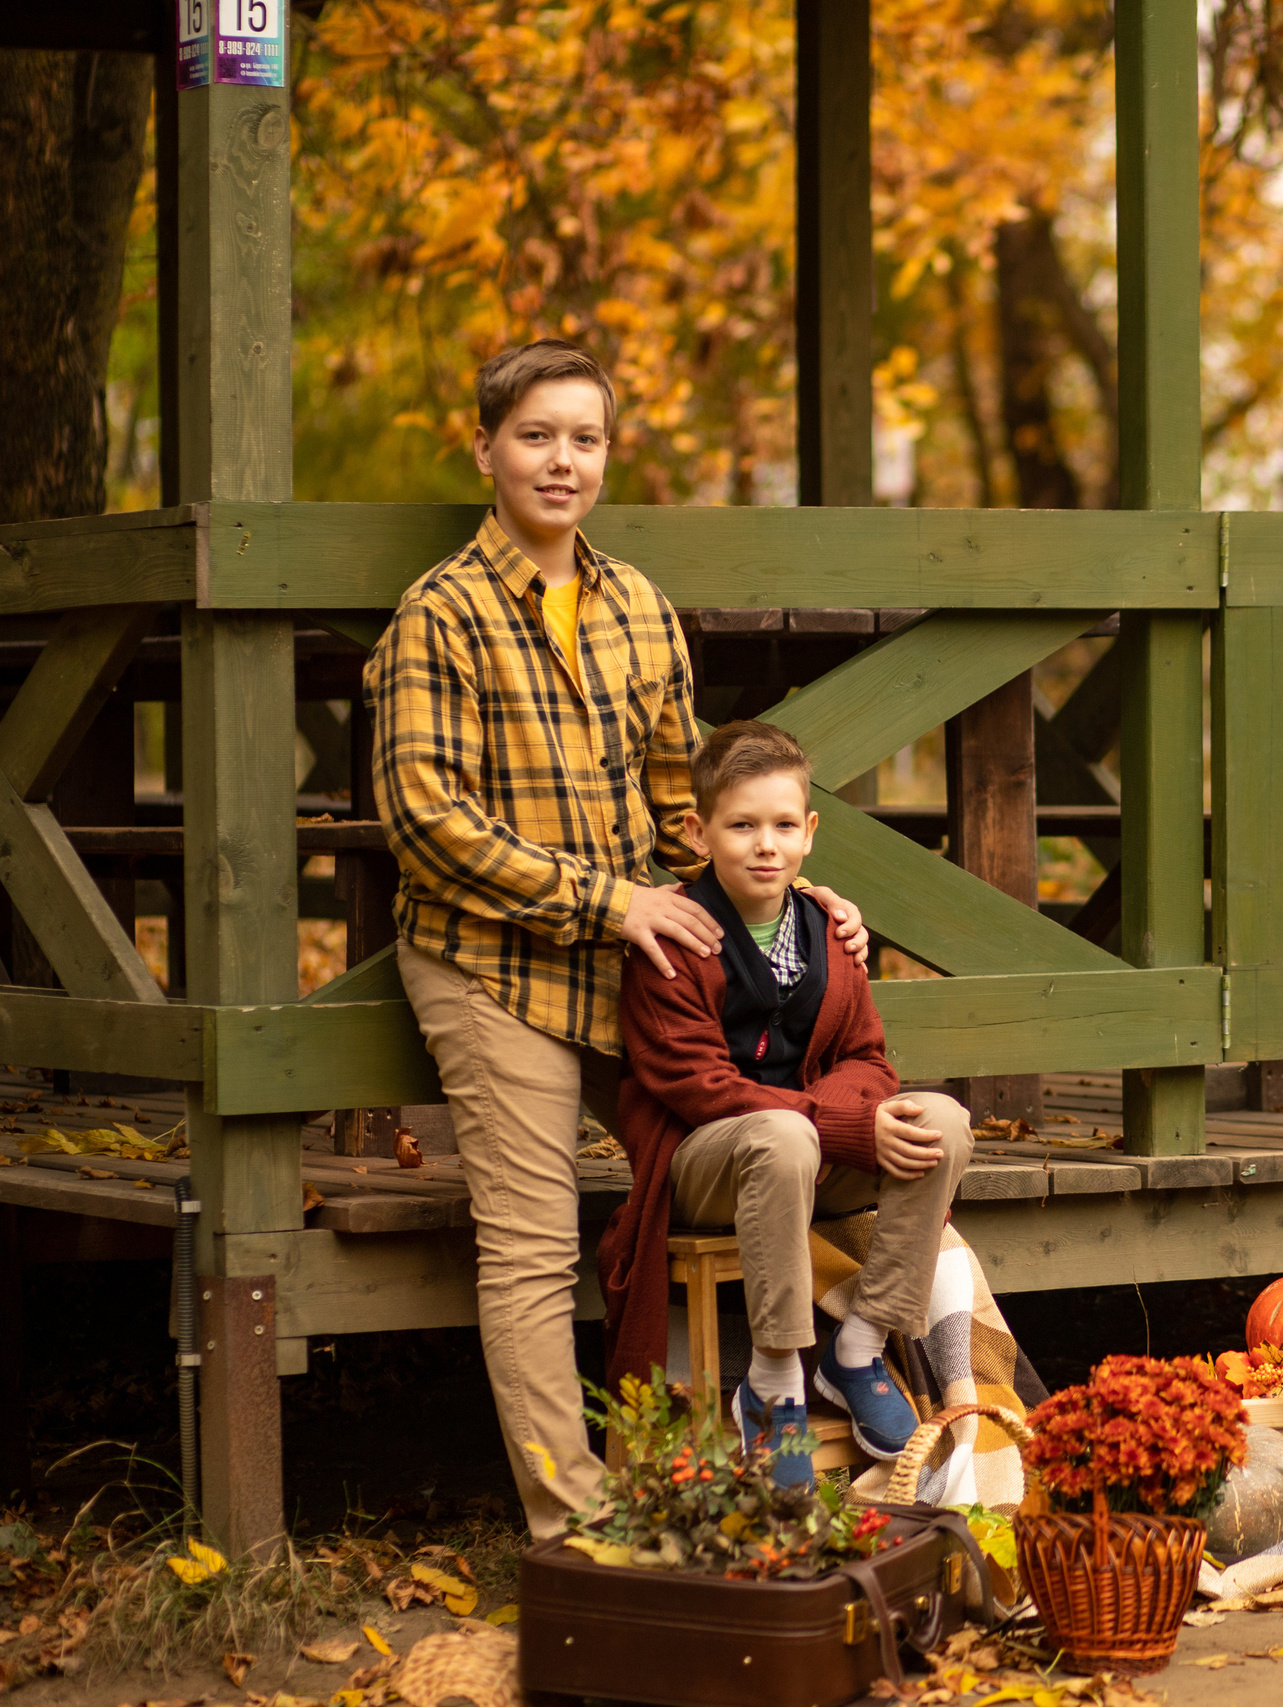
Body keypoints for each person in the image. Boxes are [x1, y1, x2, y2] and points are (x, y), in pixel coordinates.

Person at [366, 339, 872, 1535]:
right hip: (491, 967)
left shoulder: (637, 605)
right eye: (535, 435)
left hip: (632, 966)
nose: (562, 461)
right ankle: (579, 1524)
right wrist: (612, 903)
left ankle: (826, 1418)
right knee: (534, 1245)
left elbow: (681, 805)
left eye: (584, 439)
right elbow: (427, 823)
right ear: (484, 449)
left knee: (776, 1143)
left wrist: (801, 898)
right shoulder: (440, 614)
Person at [599, 720, 974, 1486]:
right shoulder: (674, 937)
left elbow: (867, 1057)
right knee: (781, 1134)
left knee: (943, 1122)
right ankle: (773, 1381)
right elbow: (699, 1086)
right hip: (704, 1165)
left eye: (781, 826)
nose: (764, 845)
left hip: (807, 1151)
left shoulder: (828, 931)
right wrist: (834, 1123)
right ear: (699, 833)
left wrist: (843, 1122)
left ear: (808, 832)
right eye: (741, 826)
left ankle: (858, 1348)